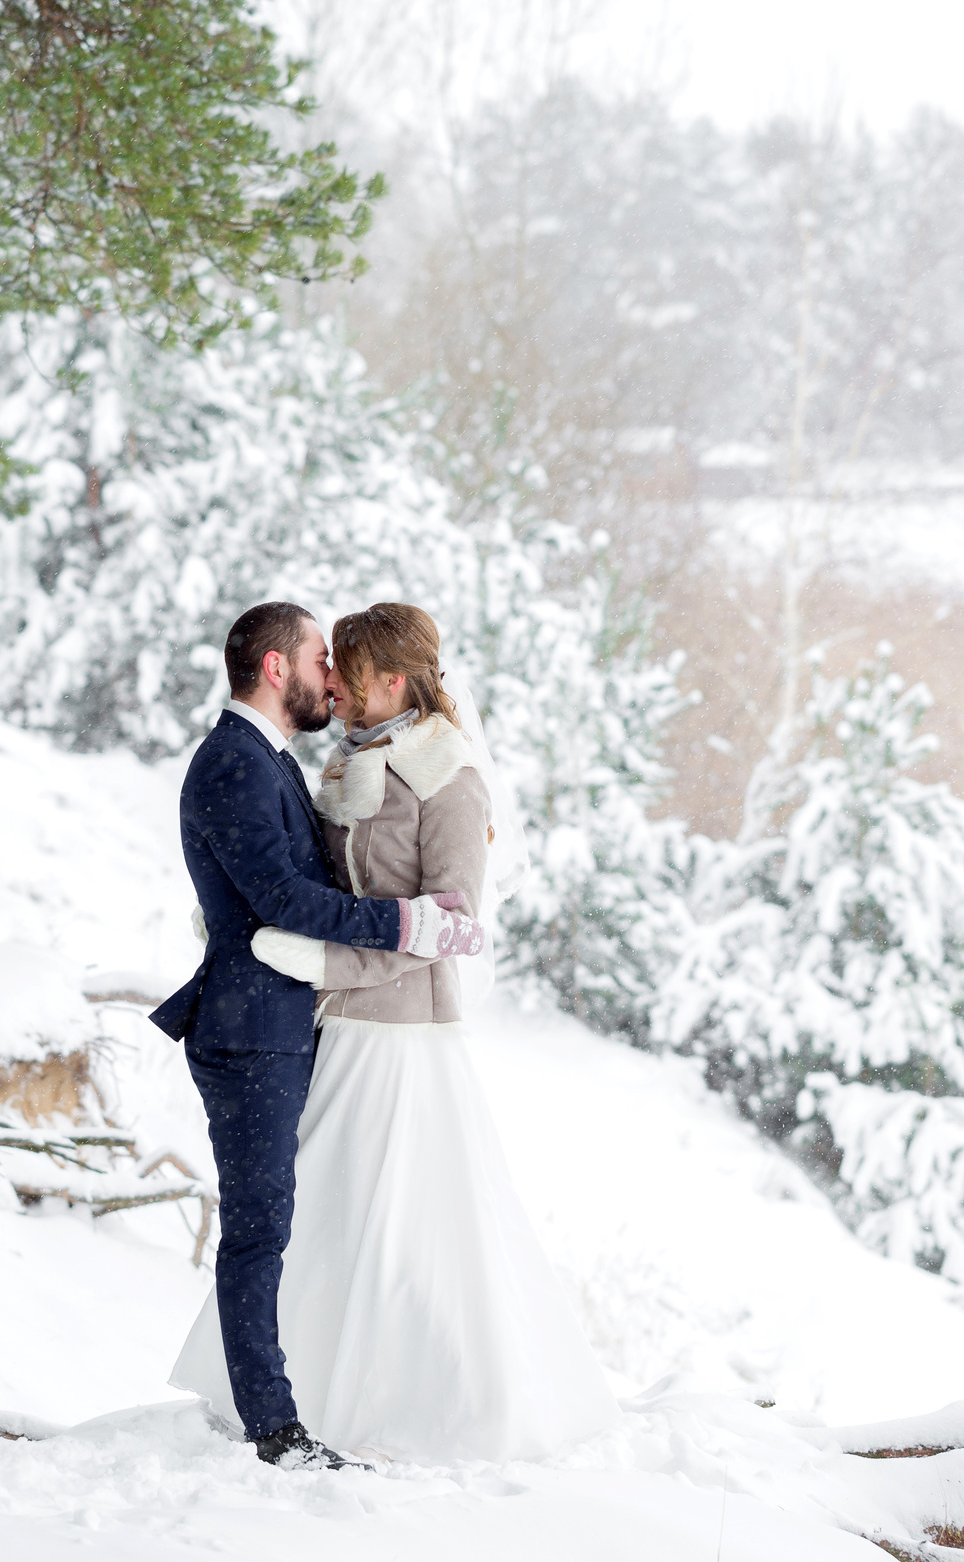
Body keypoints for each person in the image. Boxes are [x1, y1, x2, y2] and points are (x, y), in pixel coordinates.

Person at [169, 603, 621, 1464]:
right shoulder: (339, 764)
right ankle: (290, 1402)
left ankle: (431, 1405)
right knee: (323, 1222)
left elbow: (447, 927)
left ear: (392, 680)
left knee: (415, 1230)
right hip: (333, 1033)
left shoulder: (448, 776)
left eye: (346, 666)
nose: (331, 679)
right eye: (322, 661)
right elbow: (308, 884)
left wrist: (330, 965)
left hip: (402, 1036)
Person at [150, 602, 486, 1472]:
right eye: (315, 658)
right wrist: (406, 924)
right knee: (261, 1229)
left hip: (290, 1021)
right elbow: (288, 901)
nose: (328, 675)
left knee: (289, 1223)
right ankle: (272, 1427)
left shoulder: (275, 761)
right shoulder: (235, 763)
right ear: (275, 668)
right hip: (253, 1028)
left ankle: (295, 1404)